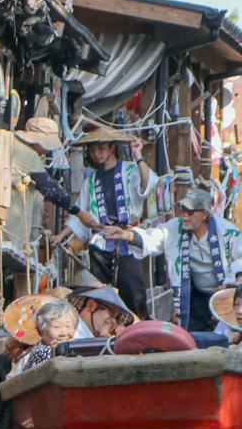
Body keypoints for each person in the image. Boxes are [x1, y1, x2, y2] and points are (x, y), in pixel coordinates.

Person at [110, 188, 242, 332]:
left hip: (226, 294)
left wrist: (230, 283)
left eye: (190, 211)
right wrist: (127, 235)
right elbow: (154, 237)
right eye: (182, 209)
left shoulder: (227, 231)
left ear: (204, 214)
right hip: (195, 294)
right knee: (192, 336)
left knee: (225, 335)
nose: (184, 214)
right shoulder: (175, 227)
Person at [53, 128, 151, 316]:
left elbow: (145, 183)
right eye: (92, 150)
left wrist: (138, 154)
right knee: (101, 297)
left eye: (101, 148)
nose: (96, 154)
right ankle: (106, 338)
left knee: (134, 294)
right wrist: (61, 235)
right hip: (99, 243)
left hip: (125, 239)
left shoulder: (129, 169)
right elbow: (79, 213)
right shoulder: (91, 180)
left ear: (112, 147)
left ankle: (141, 334)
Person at [16, 299, 77, 373]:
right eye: (57, 327)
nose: (64, 333)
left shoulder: (75, 348)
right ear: (42, 331)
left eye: (68, 326)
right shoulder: (42, 352)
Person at [67, 284, 136, 339]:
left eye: (118, 318)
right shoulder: (69, 333)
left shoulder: (92, 339)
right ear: (91, 305)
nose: (114, 321)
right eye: (112, 313)